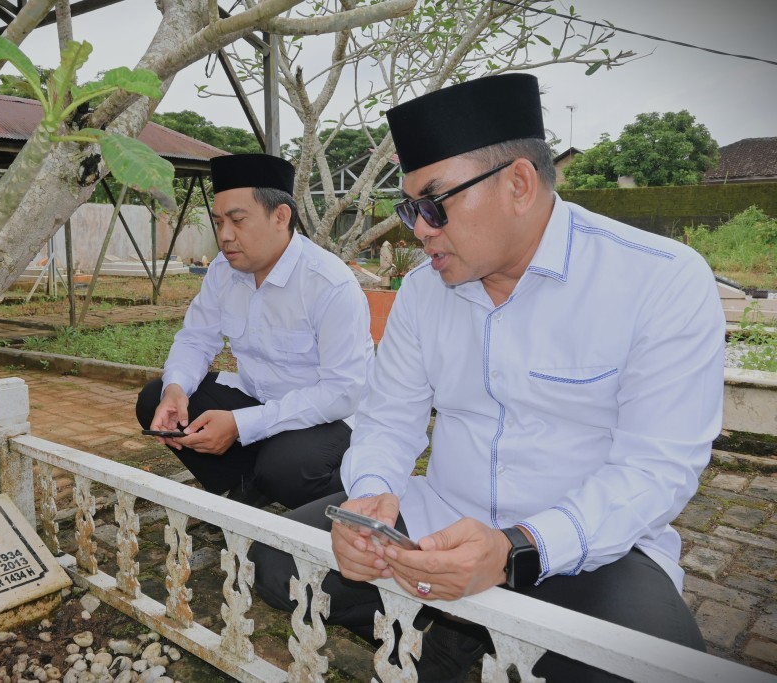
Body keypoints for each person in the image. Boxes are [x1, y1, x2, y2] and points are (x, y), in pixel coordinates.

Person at [251, 73, 725, 682]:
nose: (418, 228)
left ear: (519, 185)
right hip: (442, 515)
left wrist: (518, 549)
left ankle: (470, 620)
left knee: (650, 667)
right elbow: (387, 419)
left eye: (434, 203)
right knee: (275, 561)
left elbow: (655, 469)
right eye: (409, 207)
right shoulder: (424, 291)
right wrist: (369, 502)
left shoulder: (659, 280)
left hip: (585, 542)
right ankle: (449, 628)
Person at [136, 153, 374, 509]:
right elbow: (196, 338)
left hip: (332, 418)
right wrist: (175, 390)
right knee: (157, 400)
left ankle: (351, 494)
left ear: (281, 216)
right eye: (218, 222)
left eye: (237, 220)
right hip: (259, 399)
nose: (225, 236)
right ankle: (247, 485)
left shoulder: (328, 283)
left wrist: (242, 424)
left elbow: (342, 393)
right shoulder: (223, 270)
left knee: (287, 468)